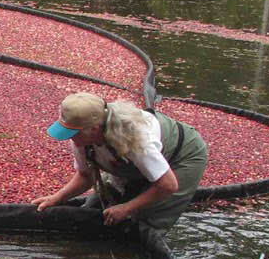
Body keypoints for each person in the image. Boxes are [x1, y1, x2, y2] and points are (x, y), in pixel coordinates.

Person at [33, 92, 208, 231]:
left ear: (94, 129)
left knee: (145, 220)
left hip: (182, 155)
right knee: (96, 209)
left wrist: (127, 208)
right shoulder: (82, 138)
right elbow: (86, 176)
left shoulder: (135, 139)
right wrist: (57, 198)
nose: (69, 138)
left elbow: (168, 185)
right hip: (132, 164)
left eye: (73, 133)